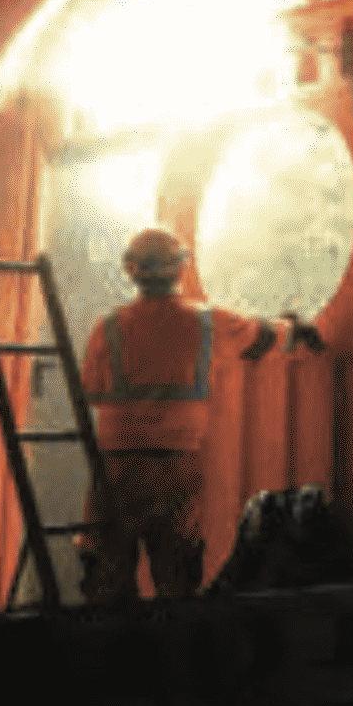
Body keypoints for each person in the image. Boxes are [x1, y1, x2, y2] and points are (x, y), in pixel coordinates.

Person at [77, 226, 328, 602]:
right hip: (177, 468)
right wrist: (294, 327)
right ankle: (174, 655)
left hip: (116, 469)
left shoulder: (107, 328)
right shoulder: (206, 322)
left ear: (131, 269)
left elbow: (93, 393)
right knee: (177, 575)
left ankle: (108, 656)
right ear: (181, 267)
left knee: (108, 577)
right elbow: (261, 337)